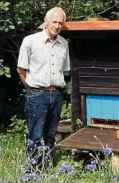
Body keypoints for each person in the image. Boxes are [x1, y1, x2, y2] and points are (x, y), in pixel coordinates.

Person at [17, 7, 70, 171]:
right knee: (35, 135)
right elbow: (21, 70)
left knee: (51, 134)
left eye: (60, 23)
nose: (57, 25)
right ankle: (32, 171)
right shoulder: (30, 41)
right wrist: (32, 88)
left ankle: (47, 168)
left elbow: (65, 70)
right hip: (37, 94)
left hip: (56, 94)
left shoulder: (63, 44)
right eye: (54, 22)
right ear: (46, 22)